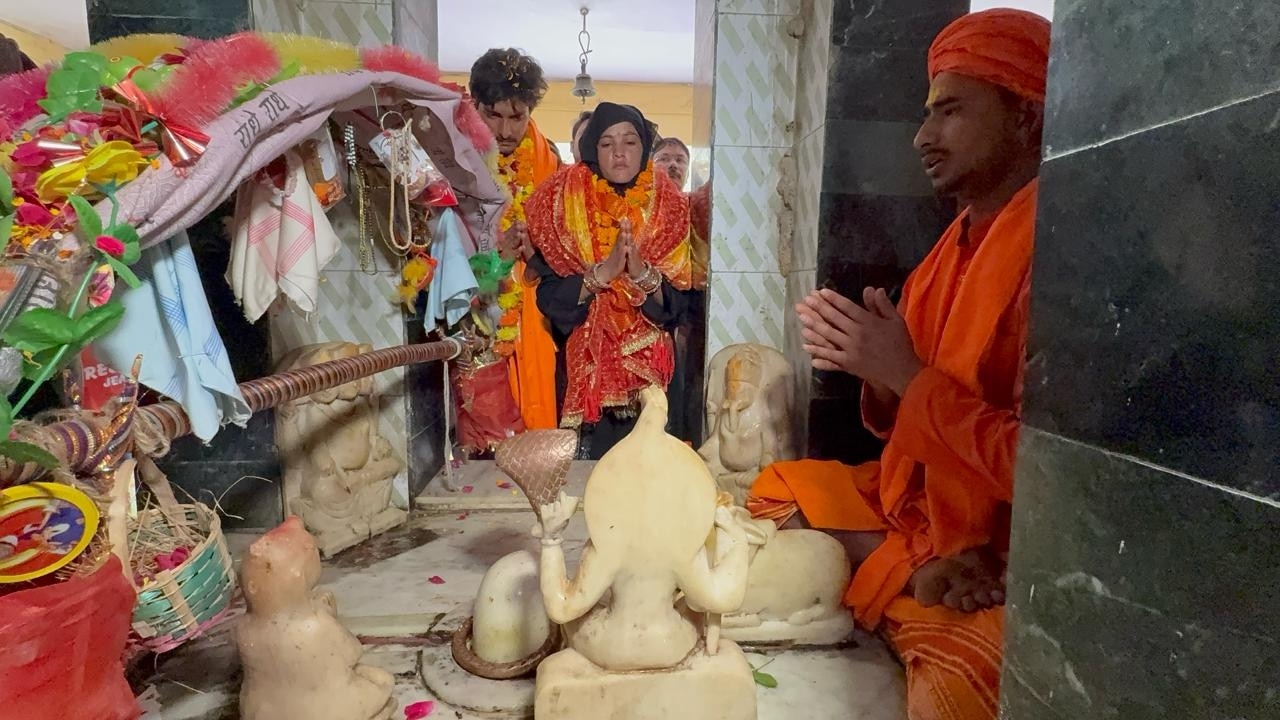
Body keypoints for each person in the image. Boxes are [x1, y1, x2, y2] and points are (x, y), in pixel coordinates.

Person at [745, 10, 1050, 720]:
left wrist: (905, 375)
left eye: (950, 111)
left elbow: (1048, 476)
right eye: (926, 113)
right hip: (923, 513)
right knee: (776, 490)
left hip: (1012, 543)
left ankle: (919, 576)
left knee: (964, 682)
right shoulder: (954, 247)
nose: (922, 136)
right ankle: (918, 572)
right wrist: (876, 371)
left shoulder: (1061, 256)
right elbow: (900, 431)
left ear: (1026, 117)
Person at [525, 103, 693, 459]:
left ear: (644, 147)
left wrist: (641, 273)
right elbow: (551, 301)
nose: (619, 152)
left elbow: (680, 302)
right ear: (591, 149)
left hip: (654, 382)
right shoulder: (560, 204)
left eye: (630, 142)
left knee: (652, 476)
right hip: (586, 376)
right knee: (590, 479)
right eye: (607, 143)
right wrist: (603, 273)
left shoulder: (670, 206)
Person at [469, 48, 561, 430]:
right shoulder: (454, 162)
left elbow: (568, 249)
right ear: (474, 105)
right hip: (475, 318)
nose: (506, 131)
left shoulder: (548, 164)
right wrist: (498, 256)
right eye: (494, 115)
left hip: (536, 315)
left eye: (517, 117)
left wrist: (539, 250)